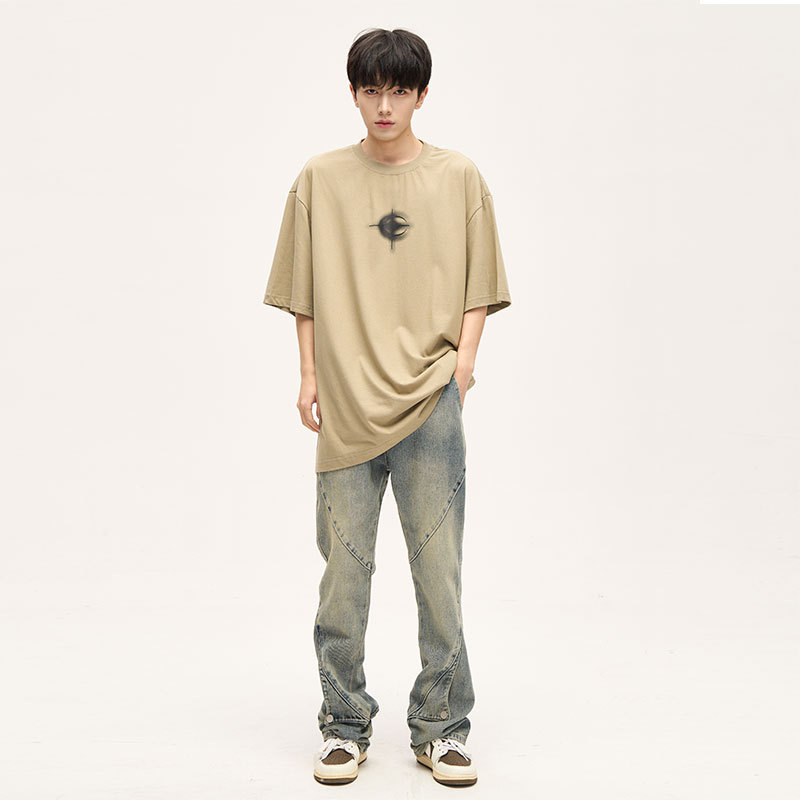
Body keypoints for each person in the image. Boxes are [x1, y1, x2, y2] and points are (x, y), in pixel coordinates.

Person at [262, 27, 511, 787]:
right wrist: (309, 373)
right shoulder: (320, 179)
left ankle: (442, 727)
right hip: (346, 399)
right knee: (344, 574)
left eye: (399, 90)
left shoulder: (458, 176)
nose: (384, 105)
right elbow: (302, 287)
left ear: (421, 95)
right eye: (371, 89)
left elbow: (479, 282)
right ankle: (344, 725)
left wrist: (462, 366)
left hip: (430, 399)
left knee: (439, 572)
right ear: (353, 92)